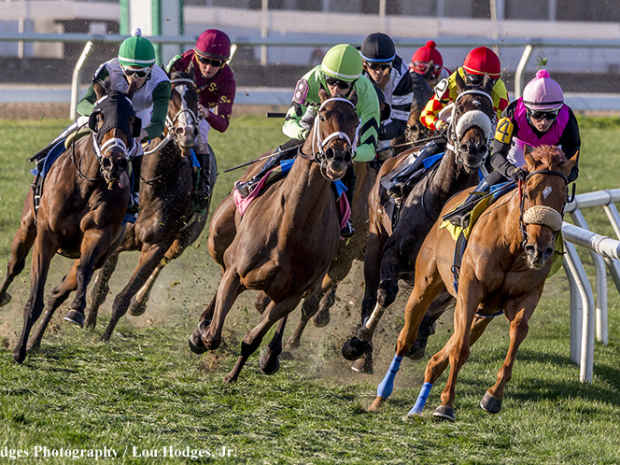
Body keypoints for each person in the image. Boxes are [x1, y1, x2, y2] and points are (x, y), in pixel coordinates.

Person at [235, 43, 380, 237]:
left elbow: (370, 149)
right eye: (331, 81)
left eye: (343, 85)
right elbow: (288, 124)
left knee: (350, 171)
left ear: (355, 82)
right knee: (285, 150)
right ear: (323, 75)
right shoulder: (310, 80)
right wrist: (308, 137)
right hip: (312, 125)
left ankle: (346, 219)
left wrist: (351, 153)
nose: (335, 89)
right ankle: (255, 181)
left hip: (346, 131)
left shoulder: (367, 94)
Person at [445, 69, 581, 226]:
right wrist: (512, 171)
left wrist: (558, 177)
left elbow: (574, 166)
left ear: (558, 111)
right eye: (537, 115)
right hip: (515, 165)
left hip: (549, 170)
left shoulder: (568, 118)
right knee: (490, 181)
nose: (543, 122)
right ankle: (463, 212)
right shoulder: (512, 113)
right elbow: (495, 156)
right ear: (527, 110)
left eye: (550, 115)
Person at [77, 29, 171, 212]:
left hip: (138, 115)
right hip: (106, 111)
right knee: (75, 132)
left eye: (141, 74)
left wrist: (140, 135)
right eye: (129, 72)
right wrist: (96, 113)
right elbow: (83, 104)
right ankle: (45, 166)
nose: (134, 78)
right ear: (121, 66)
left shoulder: (162, 83)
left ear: (151, 69)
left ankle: (134, 195)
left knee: (135, 149)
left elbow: (158, 125)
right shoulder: (107, 70)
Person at [167, 28, 236, 212]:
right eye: (204, 60)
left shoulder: (227, 79)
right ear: (196, 55)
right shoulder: (182, 62)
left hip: (200, 112)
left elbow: (223, 124)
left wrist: (207, 113)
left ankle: (202, 189)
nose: (208, 67)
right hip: (175, 107)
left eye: (216, 63)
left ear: (224, 64)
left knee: (200, 141)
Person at [420, 45, 509, 133]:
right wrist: (440, 124)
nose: (481, 88)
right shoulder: (452, 84)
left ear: (495, 81)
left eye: (488, 83)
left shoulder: (499, 94)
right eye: (478, 81)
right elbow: (425, 115)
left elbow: (506, 126)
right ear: (465, 76)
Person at [360, 32, 412, 154]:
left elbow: (399, 123)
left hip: (387, 119)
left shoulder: (402, 75)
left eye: (384, 66)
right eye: (374, 66)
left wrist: (375, 134)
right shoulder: (354, 70)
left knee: (385, 150)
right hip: (357, 118)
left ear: (392, 62)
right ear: (364, 64)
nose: (379, 72)